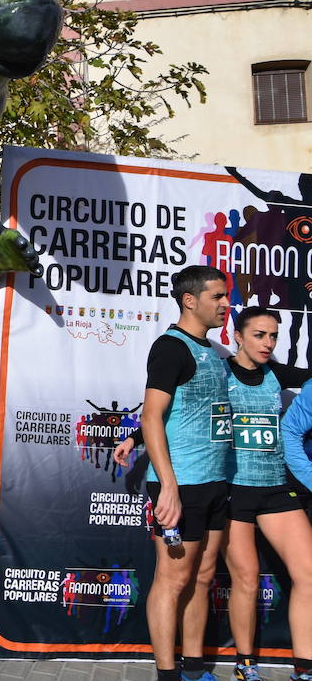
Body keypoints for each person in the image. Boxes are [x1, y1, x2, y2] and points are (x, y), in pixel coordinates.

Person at [142, 265, 232, 681]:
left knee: (204, 576)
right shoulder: (170, 347)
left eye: (226, 296)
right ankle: (167, 675)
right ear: (190, 300)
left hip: (215, 483)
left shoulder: (212, 351)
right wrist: (169, 489)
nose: (226, 304)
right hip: (182, 487)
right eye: (217, 296)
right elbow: (152, 416)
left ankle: (195, 669)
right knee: (173, 580)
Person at [220, 307, 312, 681]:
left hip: (276, 488)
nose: (268, 343)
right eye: (259, 335)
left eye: (273, 336)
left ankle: (304, 669)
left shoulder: (277, 373)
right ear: (238, 336)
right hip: (233, 490)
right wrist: (134, 436)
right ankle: (245, 665)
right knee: (246, 578)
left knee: (308, 573)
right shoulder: (217, 372)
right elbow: (175, 411)